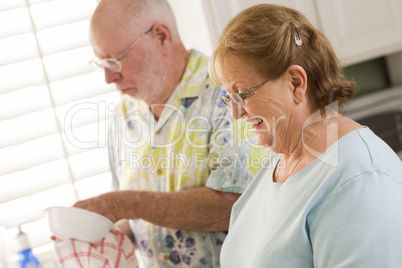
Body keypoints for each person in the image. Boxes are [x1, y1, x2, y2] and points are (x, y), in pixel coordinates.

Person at [72, 0, 267, 267]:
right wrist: (104, 239)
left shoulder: (227, 94)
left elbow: (235, 206)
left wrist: (125, 204)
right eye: (100, 62)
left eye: (114, 60)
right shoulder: (125, 113)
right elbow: (134, 221)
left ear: (161, 37)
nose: (108, 77)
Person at [208, 4, 402, 268]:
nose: (235, 113)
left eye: (241, 94)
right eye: (227, 97)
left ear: (296, 83)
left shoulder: (359, 177)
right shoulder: (278, 165)